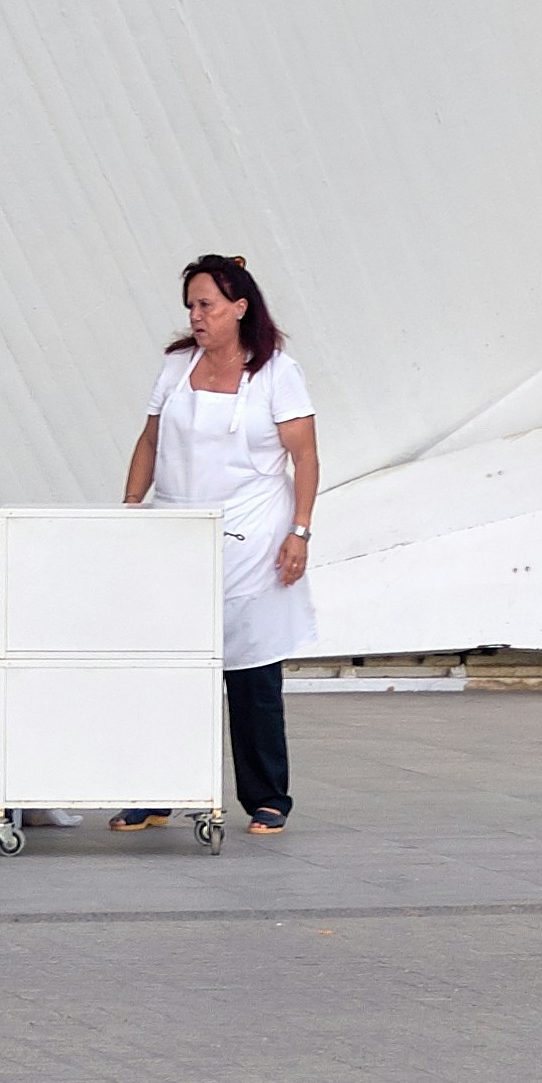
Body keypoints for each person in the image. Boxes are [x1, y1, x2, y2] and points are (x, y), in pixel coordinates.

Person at [116, 252, 319, 834]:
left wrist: (299, 531)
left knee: (252, 671)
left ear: (239, 307)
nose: (196, 316)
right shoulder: (177, 367)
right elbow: (150, 441)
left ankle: (266, 797)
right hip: (177, 530)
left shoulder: (278, 371)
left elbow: (304, 457)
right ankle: (158, 791)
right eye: (191, 306)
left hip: (253, 533)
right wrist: (131, 509)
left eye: (206, 305)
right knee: (170, 665)